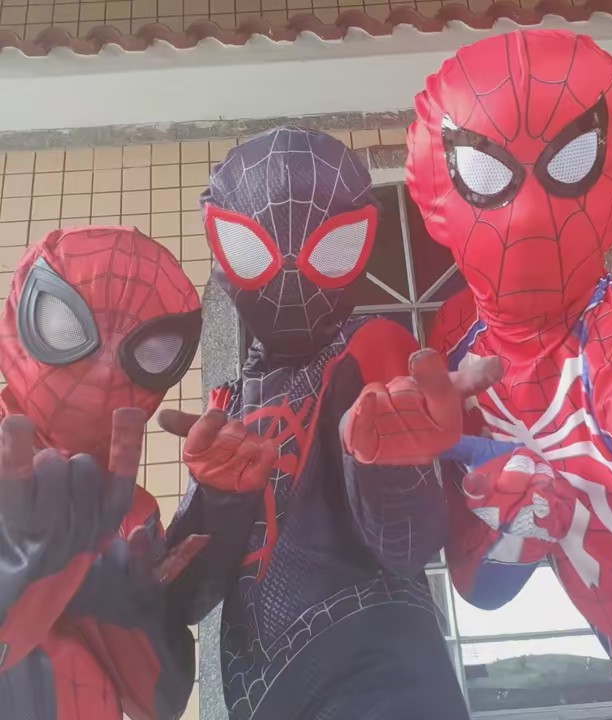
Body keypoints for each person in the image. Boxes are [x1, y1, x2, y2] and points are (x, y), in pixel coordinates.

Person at [408, 28, 612, 720]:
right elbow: (484, 587)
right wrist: (513, 511)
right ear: (433, 190)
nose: (526, 214)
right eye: (486, 173)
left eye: (571, 162)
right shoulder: (456, 344)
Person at [159, 127, 501, 719]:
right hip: (257, 694)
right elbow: (186, 599)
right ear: (221, 255)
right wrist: (215, 498)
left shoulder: (371, 347)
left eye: (330, 247)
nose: (289, 276)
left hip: (376, 671)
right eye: (250, 249)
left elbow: (407, 547)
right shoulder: (229, 406)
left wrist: (393, 467)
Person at [0, 226, 202, 719]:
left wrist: (118, 596)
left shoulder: (128, 516)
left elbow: (162, 703)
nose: (106, 371)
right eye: (66, 330)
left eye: (150, 352)